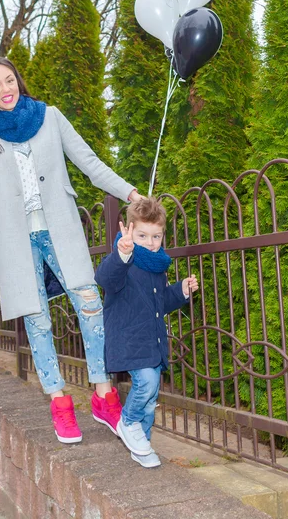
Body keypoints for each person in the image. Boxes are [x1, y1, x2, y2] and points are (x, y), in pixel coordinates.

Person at [0, 57, 142, 444]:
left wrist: (130, 192)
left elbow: (88, 162)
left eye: (10, 80)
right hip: (16, 242)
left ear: (19, 82)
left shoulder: (50, 117)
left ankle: (103, 394)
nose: (5, 89)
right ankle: (59, 403)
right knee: (38, 321)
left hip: (60, 232)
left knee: (90, 303)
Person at [95, 197, 198, 467]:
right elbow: (105, 279)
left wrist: (181, 291)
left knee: (151, 400)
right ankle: (127, 422)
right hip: (129, 339)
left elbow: (161, 301)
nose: (150, 242)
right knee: (147, 385)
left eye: (156, 236)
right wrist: (122, 254)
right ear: (128, 230)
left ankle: (142, 445)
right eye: (142, 235)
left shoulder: (157, 265)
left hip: (151, 341)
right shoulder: (124, 260)